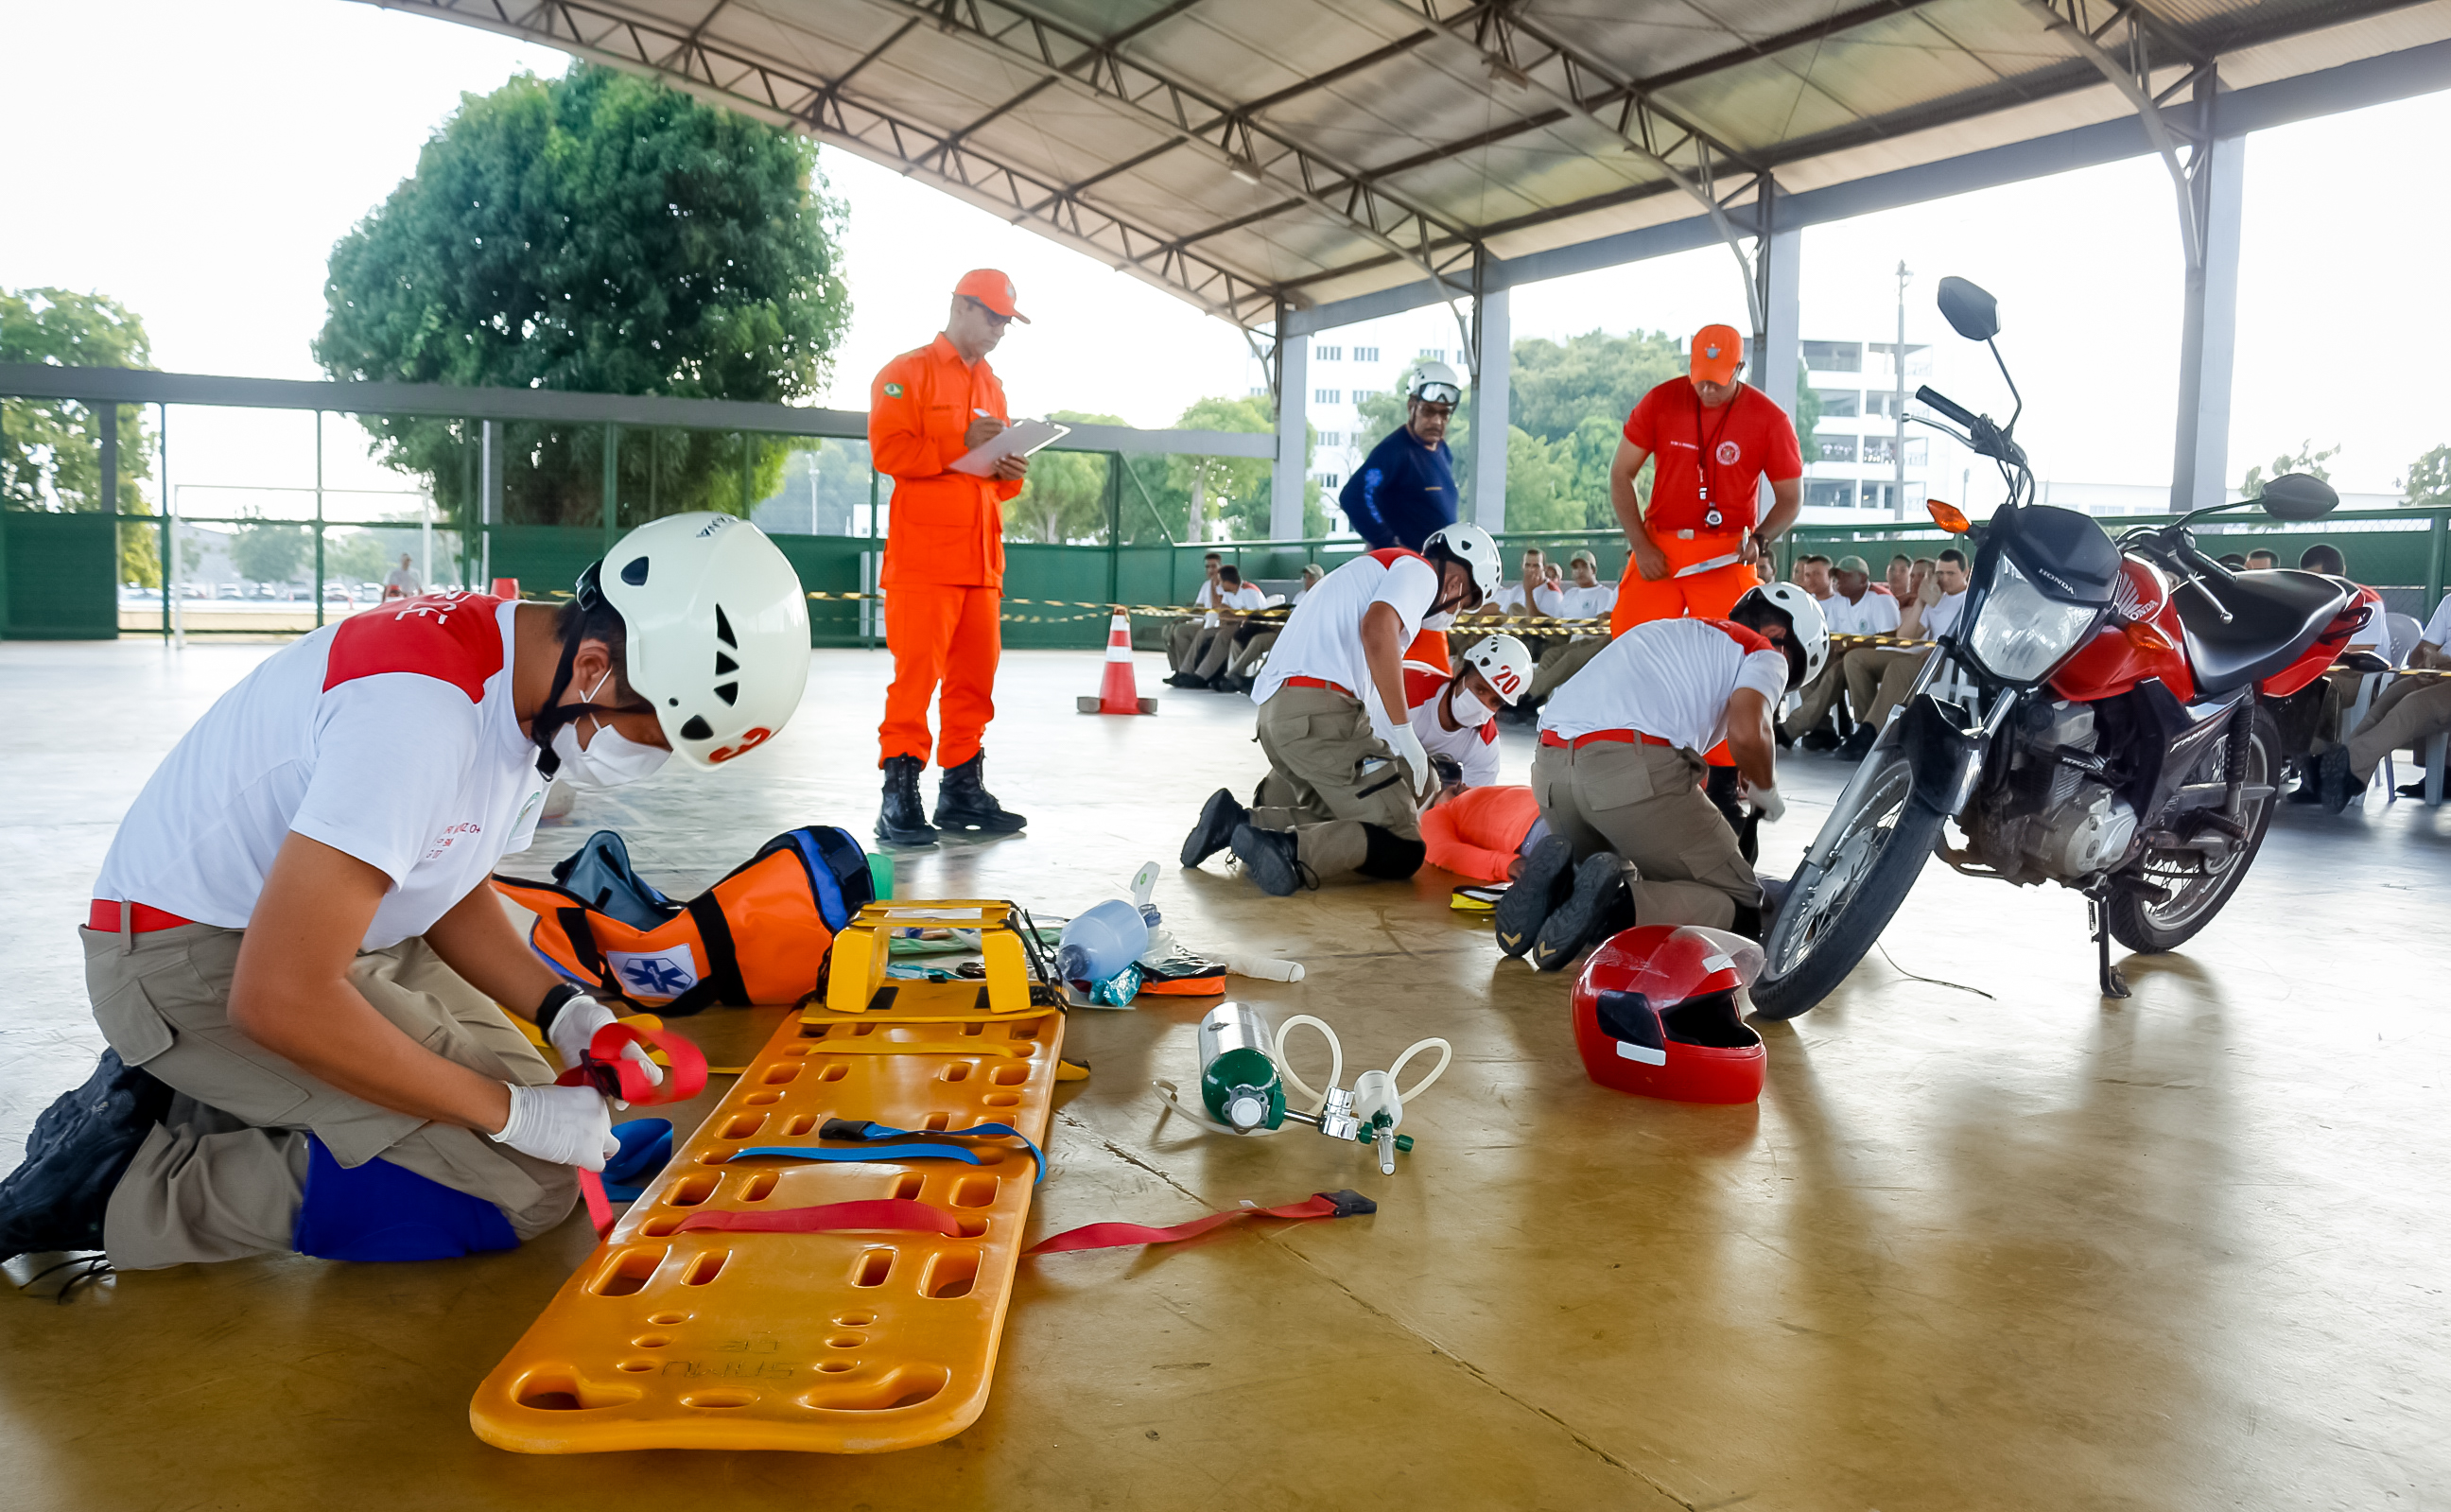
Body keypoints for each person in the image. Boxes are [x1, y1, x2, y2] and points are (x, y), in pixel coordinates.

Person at [0, 516, 810, 1272]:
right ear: (595, 668)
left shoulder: (526, 674)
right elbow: (278, 995)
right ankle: (123, 1185)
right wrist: (511, 1114)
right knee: (520, 1187)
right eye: (651, 737)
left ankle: (206, 1094)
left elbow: (448, 874)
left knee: (525, 1114)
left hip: (323, 933)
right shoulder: (420, 718)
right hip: (190, 956)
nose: (648, 762)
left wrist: (565, 1008)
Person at [1498, 584, 1828, 971]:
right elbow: (1748, 733)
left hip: (1550, 772)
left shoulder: (1666, 630)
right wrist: (1765, 788)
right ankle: (1611, 913)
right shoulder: (1765, 652)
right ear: (1780, 638)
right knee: (1742, 908)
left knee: (1612, 878)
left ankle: (1560, 891)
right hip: (1628, 773)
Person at [1179, 525, 1503, 895]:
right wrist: (1405, 733)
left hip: (1278, 716)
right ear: (1457, 583)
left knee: (1344, 814)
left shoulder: (1368, 572)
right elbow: (1377, 629)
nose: (1457, 611)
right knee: (1403, 843)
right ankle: (1291, 851)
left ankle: (1238, 822)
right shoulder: (1421, 572)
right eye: (1465, 602)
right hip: (1322, 712)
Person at [870, 269, 1034, 846]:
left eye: (1006, 322)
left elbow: (996, 485)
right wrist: (958, 442)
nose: (999, 330)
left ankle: (962, 791)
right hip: (924, 562)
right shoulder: (905, 374)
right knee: (915, 681)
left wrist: (1011, 469)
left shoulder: (994, 387)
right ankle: (898, 796)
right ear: (960, 306)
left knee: (974, 684)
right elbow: (889, 451)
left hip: (982, 565)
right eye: (992, 317)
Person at [1608, 324, 1803, 636]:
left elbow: (1791, 498)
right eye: (1701, 379)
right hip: (1659, 545)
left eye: (1718, 380)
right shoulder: (1660, 401)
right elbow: (1620, 474)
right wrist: (1641, 546)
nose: (1708, 389)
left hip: (1726, 552)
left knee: (1738, 643)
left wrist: (1760, 540)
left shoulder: (1770, 419)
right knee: (1629, 639)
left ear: (1739, 368)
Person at [2316, 591, 2451, 808]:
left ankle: (2342, 766)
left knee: (2412, 706)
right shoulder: (2449, 602)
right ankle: (2346, 778)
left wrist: (2444, 662)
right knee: (2384, 704)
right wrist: (2425, 662)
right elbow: (2419, 652)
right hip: (2436, 674)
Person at [1839, 547, 1968, 758]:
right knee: (1855, 659)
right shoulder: (1937, 597)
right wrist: (1921, 601)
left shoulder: (1969, 601)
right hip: (1923, 654)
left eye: (1950, 573)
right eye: (1940, 573)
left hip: (1948, 661)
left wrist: (1943, 649)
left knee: (1898, 667)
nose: (1944, 578)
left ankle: (1873, 732)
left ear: (1965, 572)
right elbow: (1905, 637)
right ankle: (1867, 726)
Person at [1340, 361, 1463, 552]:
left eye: (1444, 413)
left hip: (1437, 563)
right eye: (1428, 411)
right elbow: (1353, 496)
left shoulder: (1443, 451)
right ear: (1411, 406)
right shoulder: (1394, 451)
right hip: (1405, 564)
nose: (1437, 421)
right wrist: (1388, 542)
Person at [1784, 554, 1901, 749]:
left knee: (1837, 671)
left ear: (1862, 579)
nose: (1838, 581)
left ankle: (1792, 729)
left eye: (1845, 576)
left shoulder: (1880, 599)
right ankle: (1822, 729)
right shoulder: (1840, 600)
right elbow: (1833, 635)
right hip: (1848, 657)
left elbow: (1890, 639)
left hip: (1875, 660)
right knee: (1810, 666)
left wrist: (1851, 647)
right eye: (1837, 576)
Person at [1405, 634, 1533, 792]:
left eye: (1495, 702)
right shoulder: (1406, 696)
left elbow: (1476, 801)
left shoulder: (1485, 742)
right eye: (1480, 690)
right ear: (1460, 674)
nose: (1482, 703)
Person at [1521, 551, 1619, 707]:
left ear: (1593, 570)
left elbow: (1601, 625)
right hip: (1565, 638)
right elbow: (1557, 624)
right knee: (1549, 655)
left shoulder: (1604, 594)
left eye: (1583, 567)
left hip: (1590, 642)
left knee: (1567, 658)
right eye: (1575, 567)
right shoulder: (1570, 594)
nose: (1579, 571)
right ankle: (1535, 697)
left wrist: (1575, 628)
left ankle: (1529, 698)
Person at [1419, 785, 1544, 883]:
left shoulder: (1489, 793)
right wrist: (1503, 864)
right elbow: (1443, 851)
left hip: (1547, 811)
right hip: (1536, 828)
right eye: (1451, 790)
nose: (1461, 784)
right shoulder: (1438, 812)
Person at [1224, 563, 1318, 691]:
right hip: (1284, 630)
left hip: (1300, 636)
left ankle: (1255, 680)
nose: (1306, 581)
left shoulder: (1320, 596)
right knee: (1253, 639)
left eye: (1310, 577)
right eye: (1305, 577)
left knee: (1275, 645)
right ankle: (1234, 676)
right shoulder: (1300, 595)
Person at [1179, 565, 1268, 689]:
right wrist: (1237, 614)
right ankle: (1185, 671)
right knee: (1203, 633)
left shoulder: (1250, 592)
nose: (1219, 585)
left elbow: (1252, 618)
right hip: (1230, 624)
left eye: (1221, 581)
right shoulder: (1228, 592)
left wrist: (1232, 613)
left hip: (1250, 628)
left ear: (1228, 582)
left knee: (1222, 636)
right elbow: (1222, 613)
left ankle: (1201, 676)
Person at [1166, 552, 1226, 678]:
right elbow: (1197, 609)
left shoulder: (1225, 584)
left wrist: (1214, 585)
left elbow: (1218, 606)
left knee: (1186, 632)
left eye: (1214, 566)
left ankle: (1188, 671)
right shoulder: (1206, 585)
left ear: (1221, 567)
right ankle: (1180, 671)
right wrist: (1178, 620)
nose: (1210, 570)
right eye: (1207, 567)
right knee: (1173, 629)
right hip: (1205, 623)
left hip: (1220, 626)